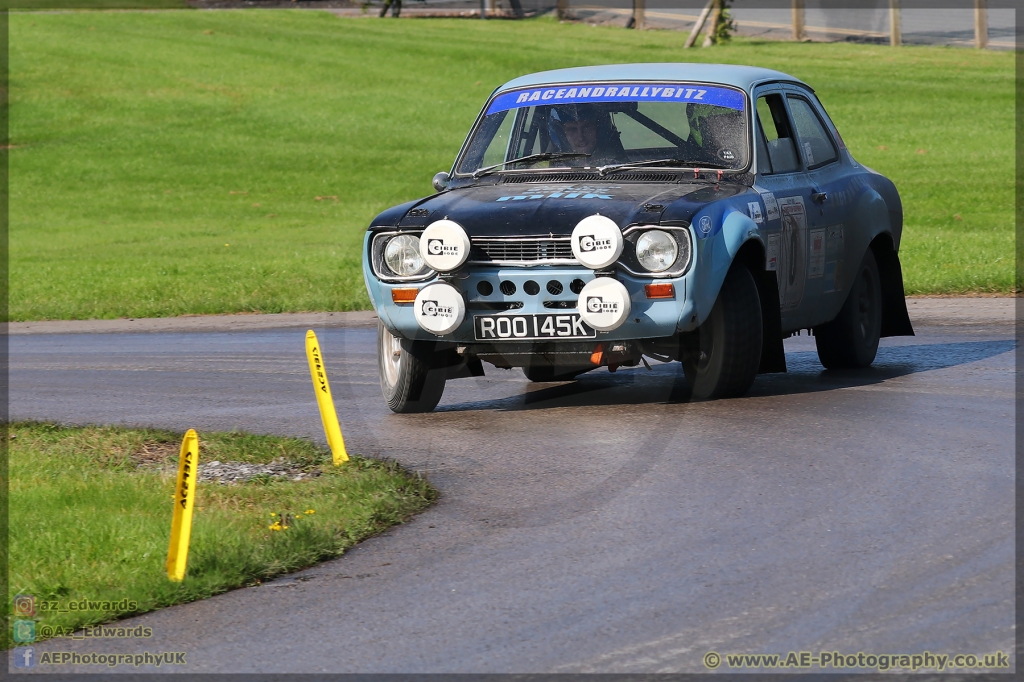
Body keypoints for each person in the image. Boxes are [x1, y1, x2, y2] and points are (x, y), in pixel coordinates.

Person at [547, 104, 626, 165]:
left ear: (599, 129)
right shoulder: (545, 173)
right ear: (562, 135)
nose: (581, 137)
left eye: (587, 127)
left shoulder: (620, 168)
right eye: (572, 129)